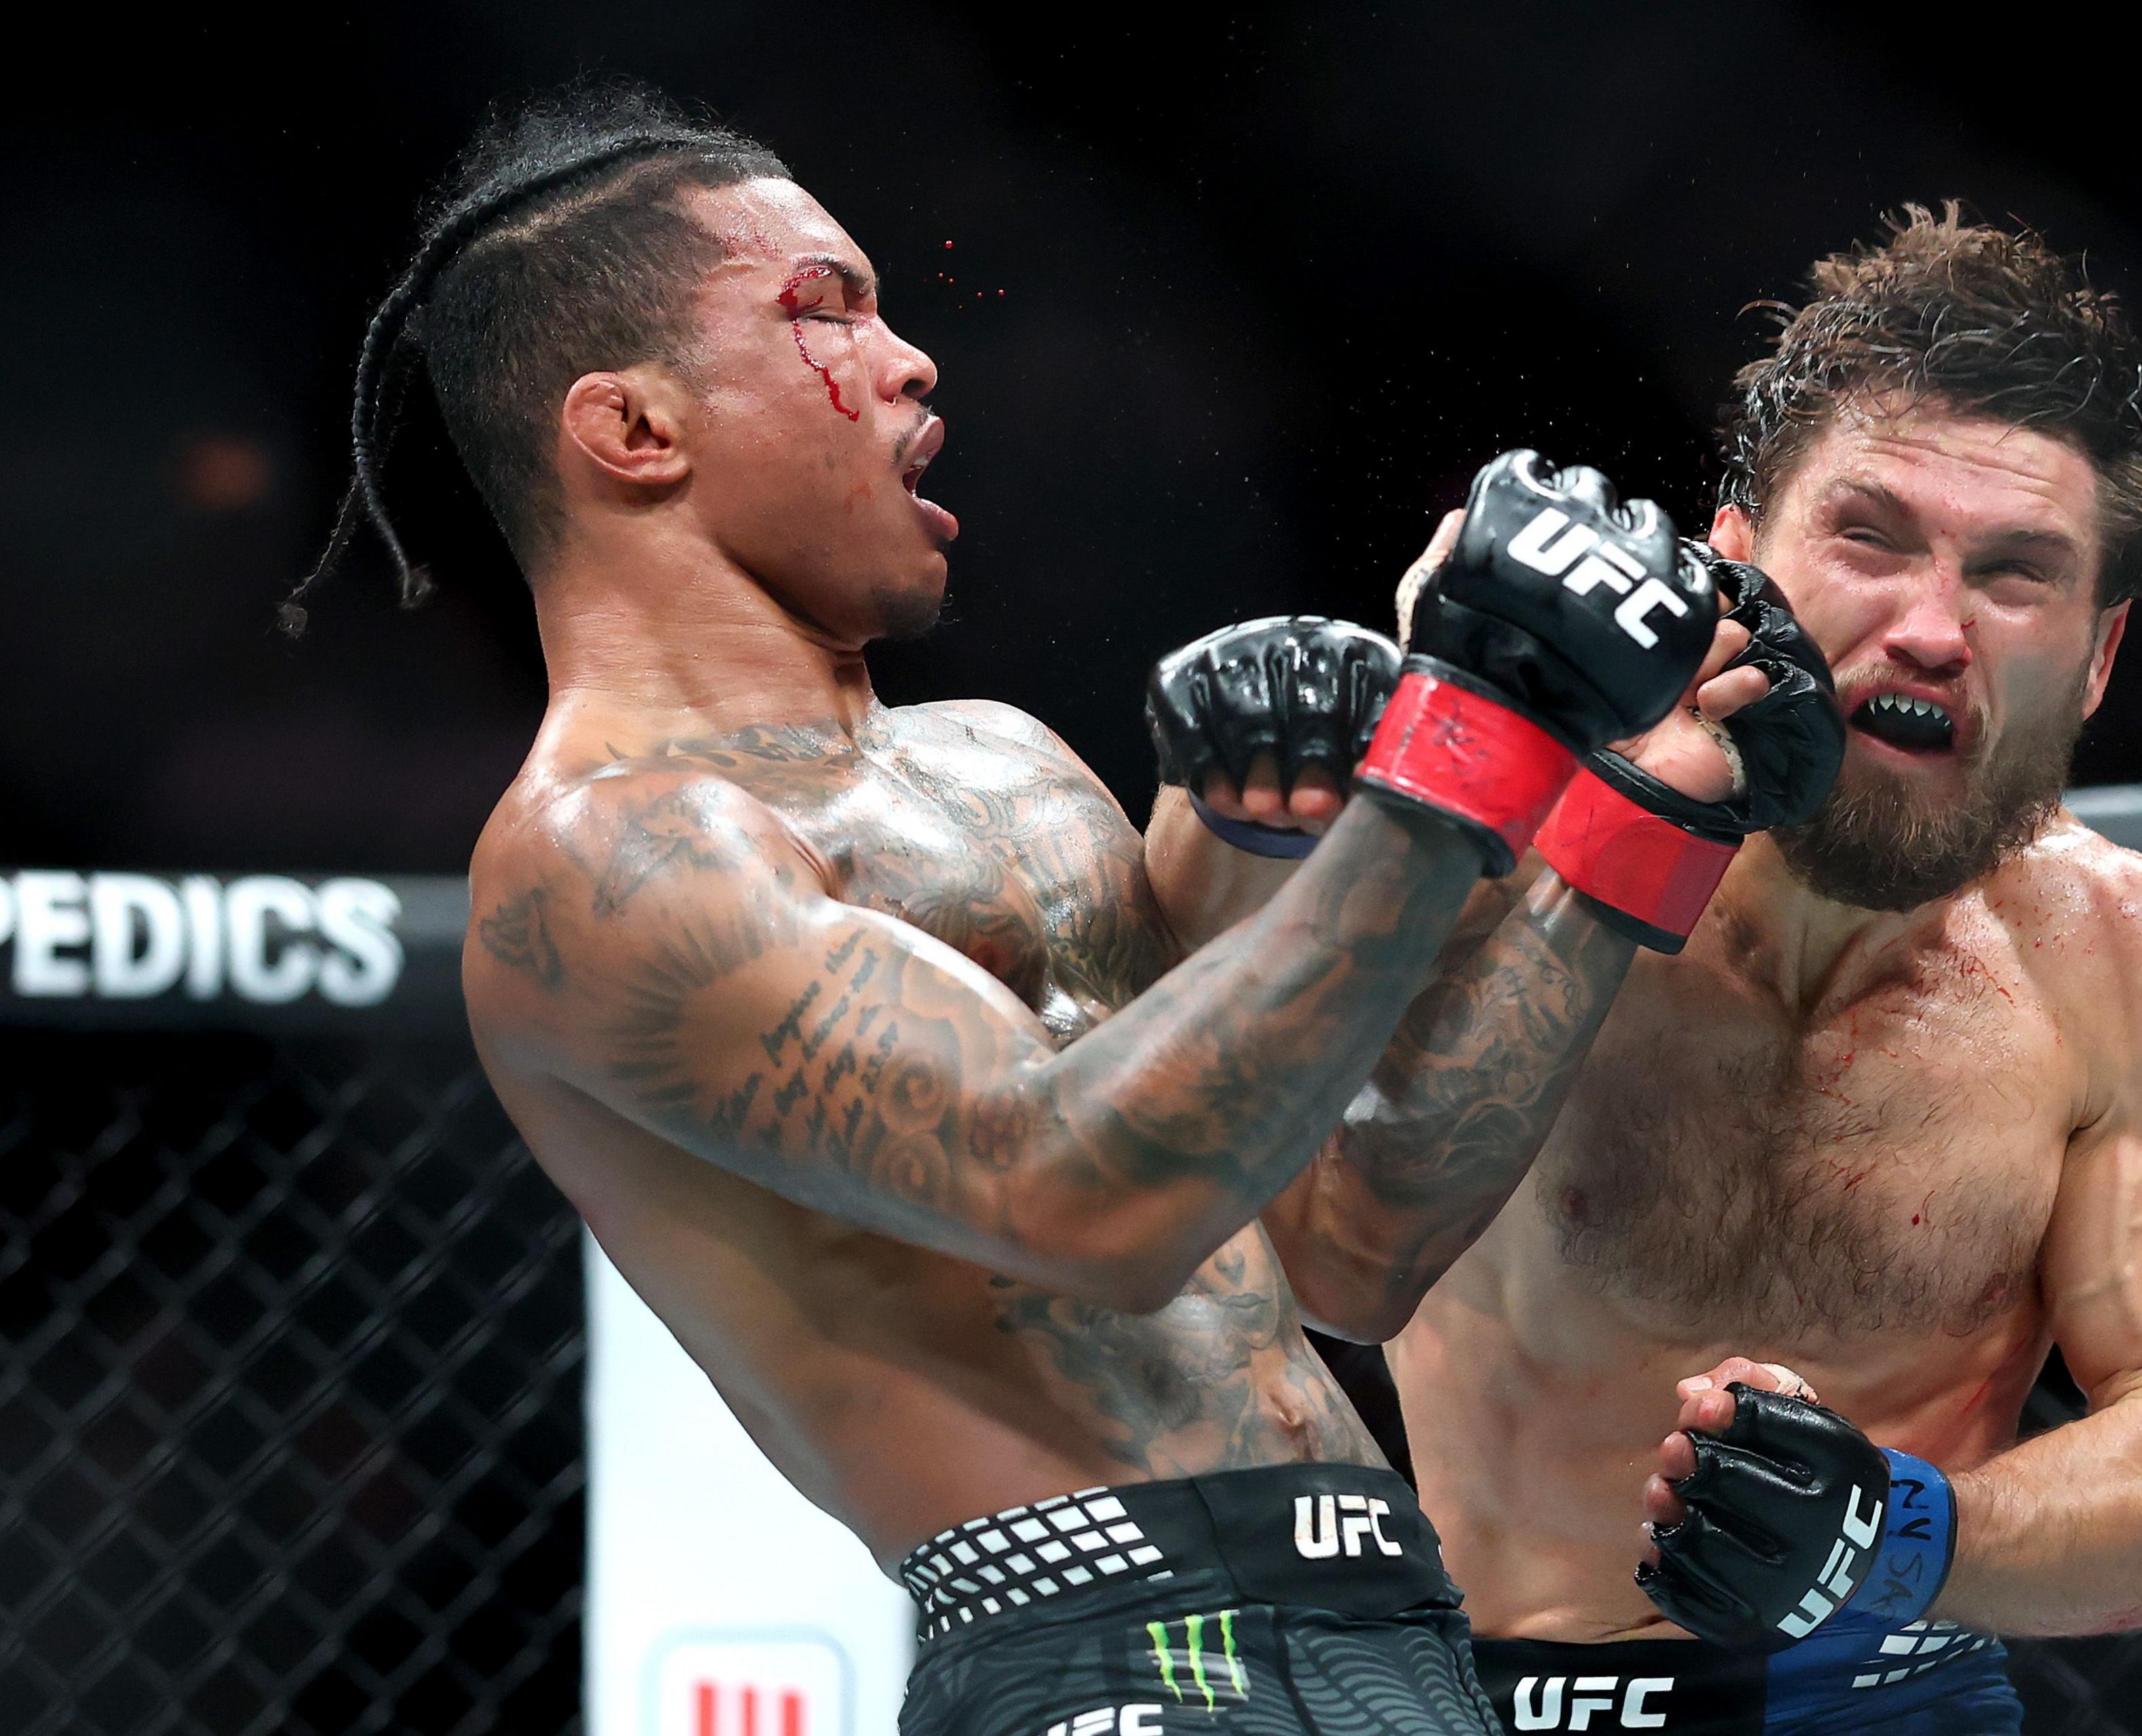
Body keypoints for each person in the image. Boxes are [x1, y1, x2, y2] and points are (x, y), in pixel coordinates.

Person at [292, 81, 1787, 1736]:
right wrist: (1470, 735)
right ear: (634, 430)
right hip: (1104, 1648)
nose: (910, 357)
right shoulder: (606, 856)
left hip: (1394, 1626)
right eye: (826, 310)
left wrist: (1637, 811)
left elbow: (1354, 1236)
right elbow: (1082, 1194)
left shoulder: (1002, 766)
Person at [1146, 207, 2142, 1733]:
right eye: (1871, 537)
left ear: (2096, 654)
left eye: (2016, 575)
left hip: (1885, 1694)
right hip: (1476, 1691)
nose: (1932, 628)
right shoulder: (1508, 838)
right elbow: (1329, 1247)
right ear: (1732, 556)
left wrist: (1896, 1533)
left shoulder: (2112, 951)